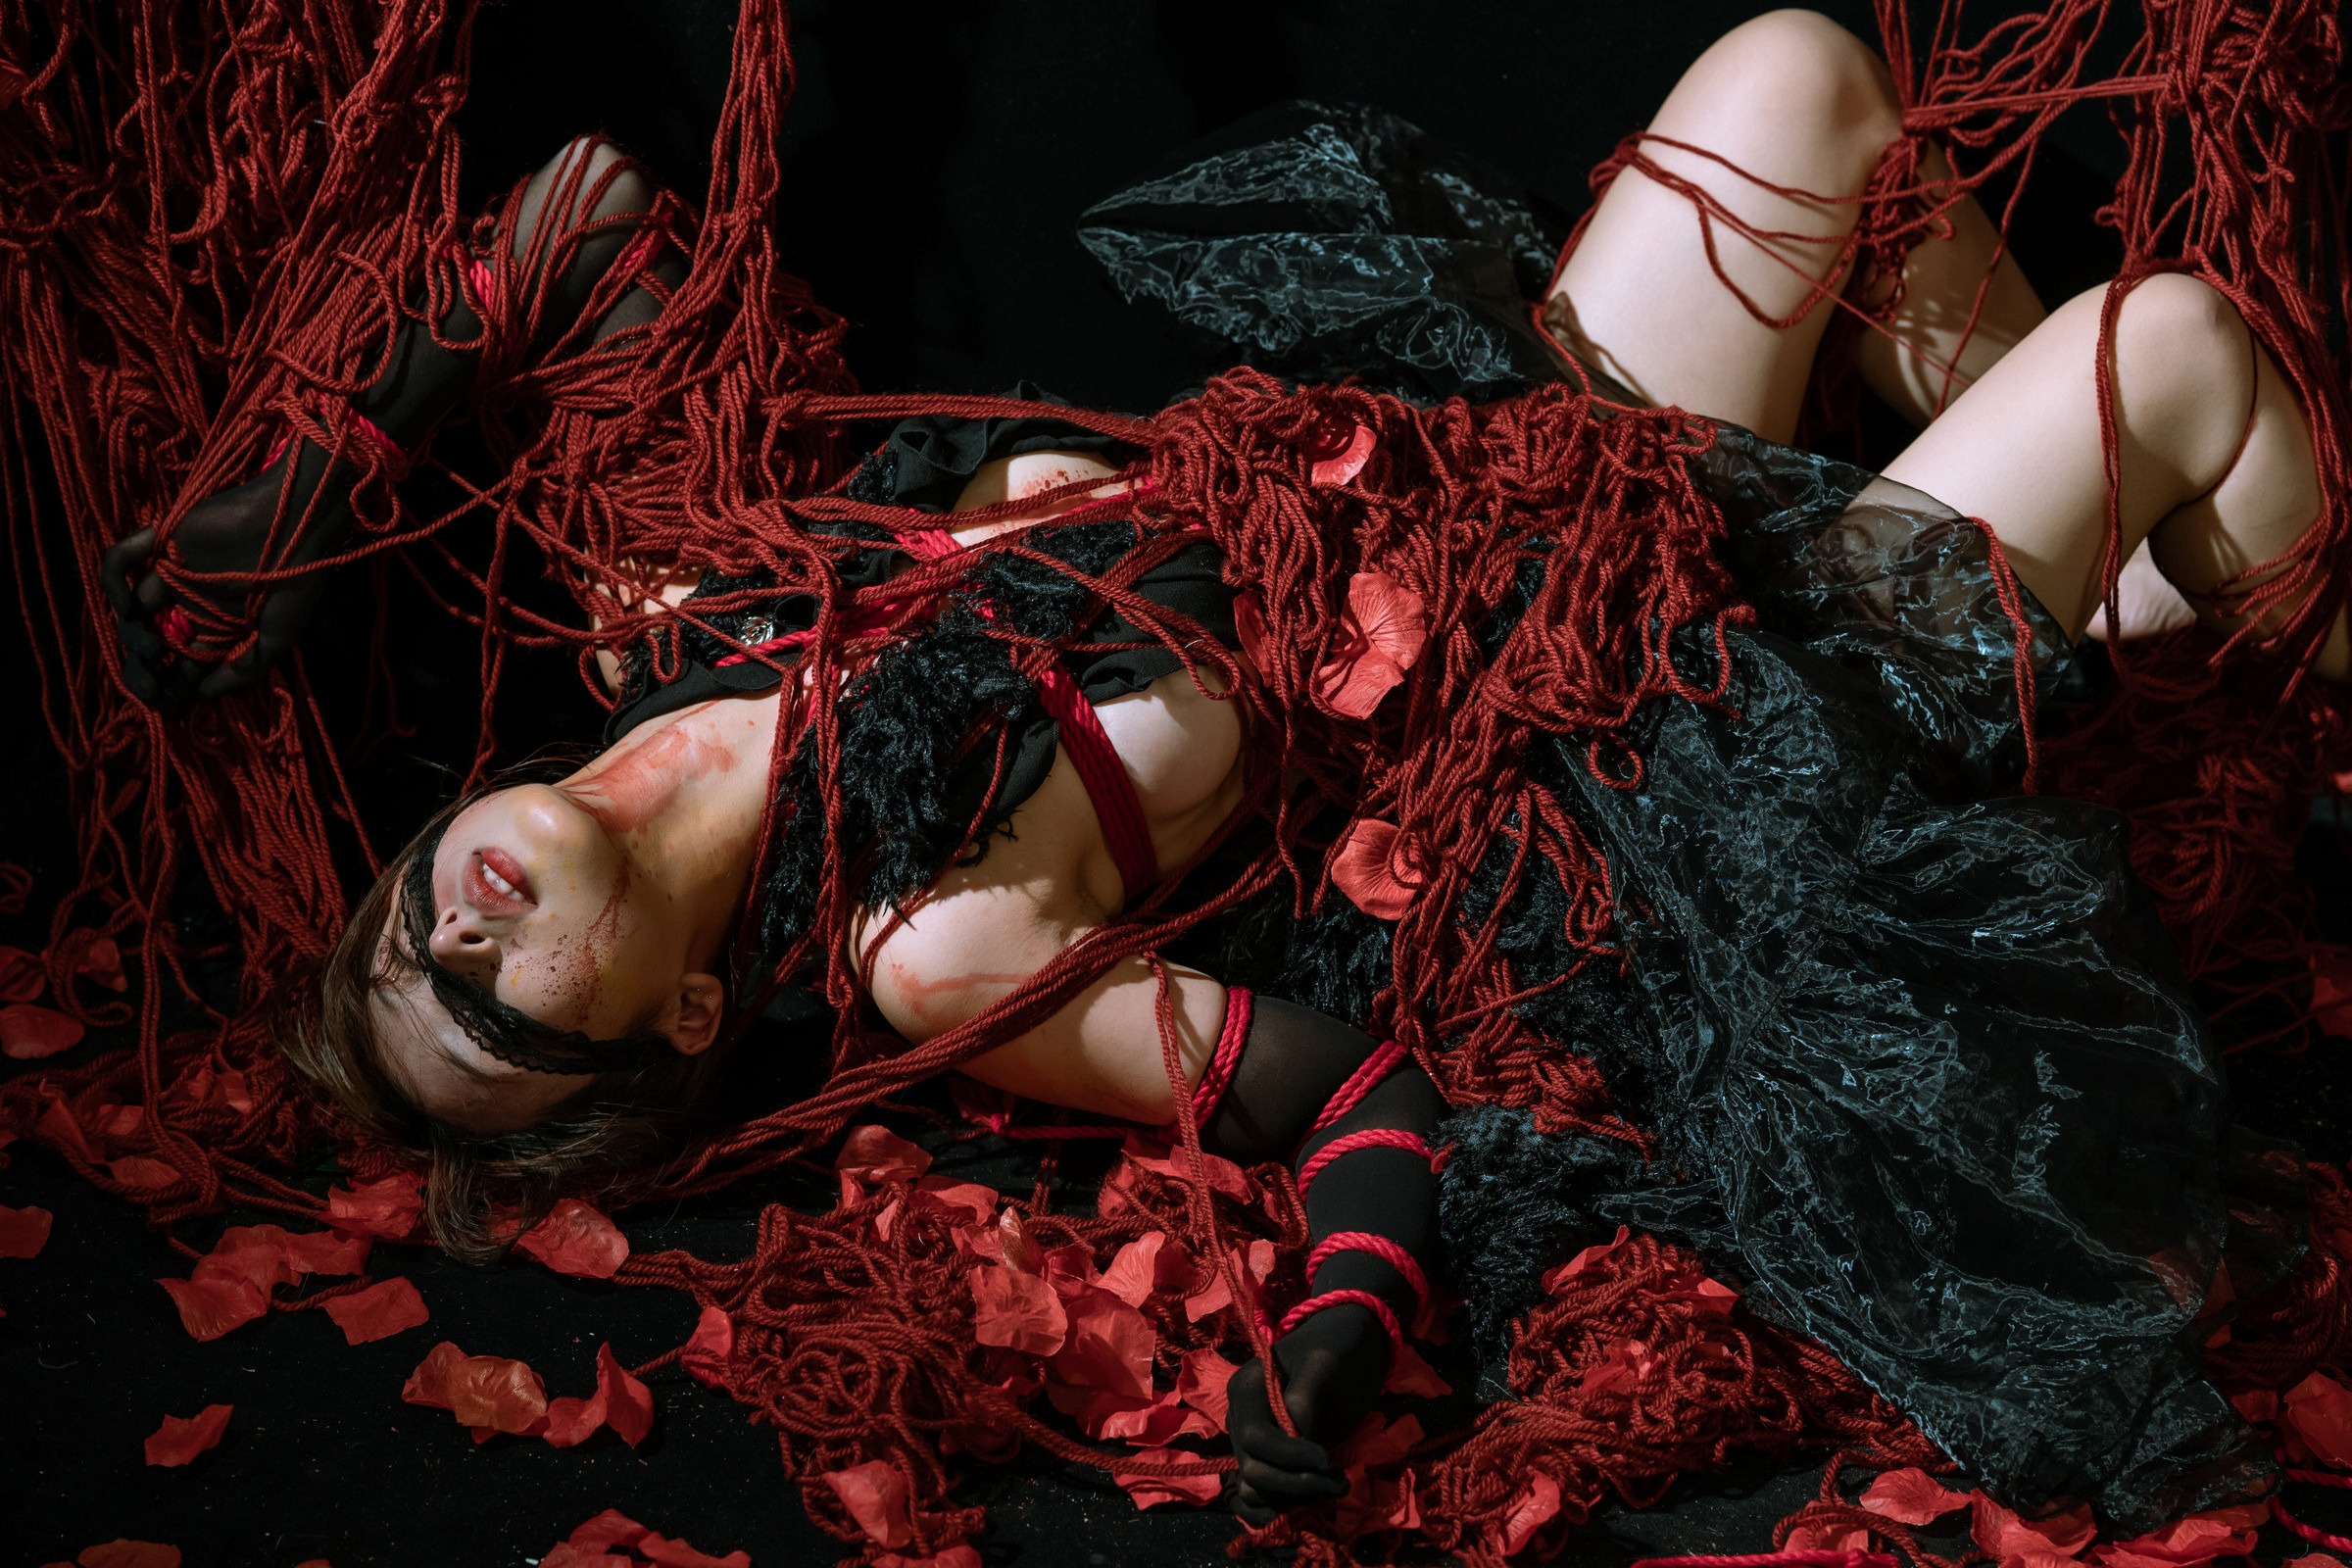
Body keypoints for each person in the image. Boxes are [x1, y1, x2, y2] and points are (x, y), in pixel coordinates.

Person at [99, 8, 2341, 1531]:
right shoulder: (930, 939)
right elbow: (1355, 1088)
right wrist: (1345, 1322)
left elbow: (584, 215)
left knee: (1799, 71)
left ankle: (2086, 626)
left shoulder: (678, 605)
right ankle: (2231, 678)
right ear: (679, 1017)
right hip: (1637, 712)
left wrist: (282, 519)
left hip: (1523, 475)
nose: (449, 930)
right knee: (2174, 345)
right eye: (484, 1010)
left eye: (400, 931)